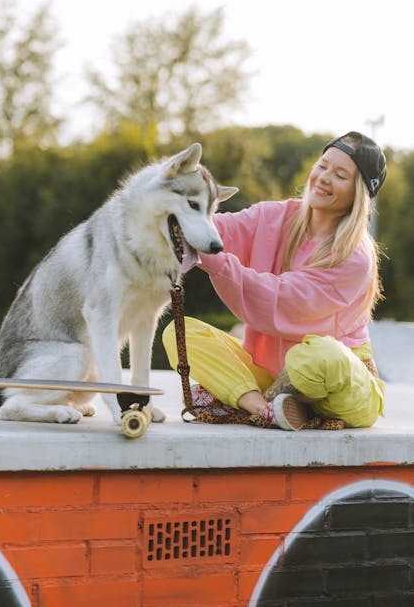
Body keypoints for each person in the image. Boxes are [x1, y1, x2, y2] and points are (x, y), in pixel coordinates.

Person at [163, 131, 387, 431]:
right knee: (178, 334)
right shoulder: (277, 215)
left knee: (318, 355)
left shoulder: (355, 257)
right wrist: (173, 218)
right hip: (269, 373)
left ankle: (252, 399)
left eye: (340, 175)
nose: (323, 177)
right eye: (322, 166)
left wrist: (211, 257)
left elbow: (282, 300)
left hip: (339, 384)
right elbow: (220, 229)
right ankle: (265, 408)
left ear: (357, 193)